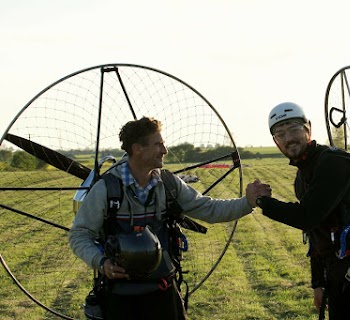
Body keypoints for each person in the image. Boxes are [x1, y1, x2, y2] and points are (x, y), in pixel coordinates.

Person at [69, 116, 270, 320]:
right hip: (120, 296)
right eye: (158, 145)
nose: (164, 151)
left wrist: (247, 202)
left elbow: (209, 209)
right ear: (137, 149)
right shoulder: (107, 188)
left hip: (163, 292)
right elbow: (79, 235)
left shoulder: (168, 184)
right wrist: (102, 263)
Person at [254, 102, 350, 319]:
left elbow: (306, 217)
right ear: (276, 142)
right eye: (280, 134)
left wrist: (263, 202)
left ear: (308, 129)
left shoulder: (333, 163)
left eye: (294, 129)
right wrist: (318, 283)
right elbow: (316, 234)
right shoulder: (303, 176)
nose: (288, 138)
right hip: (339, 276)